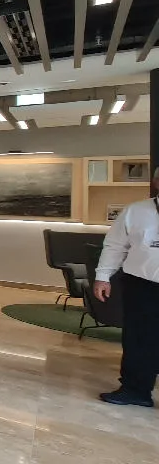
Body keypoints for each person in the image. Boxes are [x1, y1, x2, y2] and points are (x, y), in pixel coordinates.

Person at [94, 167, 159, 407]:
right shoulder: (135, 211)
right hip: (142, 285)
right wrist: (103, 277)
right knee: (138, 339)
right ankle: (135, 390)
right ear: (156, 183)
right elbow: (114, 246)